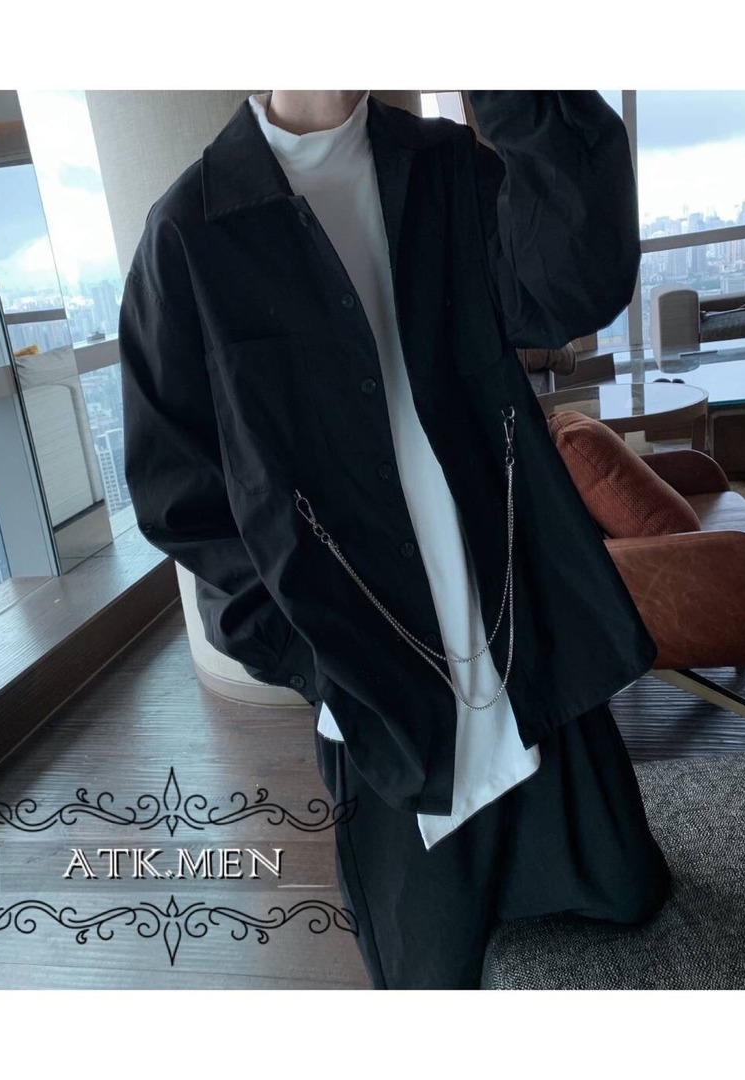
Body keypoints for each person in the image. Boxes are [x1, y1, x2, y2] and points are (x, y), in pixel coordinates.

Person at [118, 89, 671, 990]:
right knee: (430, 978)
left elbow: (571, 287)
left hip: (519, 636)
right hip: (379, 696)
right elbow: (179, 493)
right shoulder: (189, 232)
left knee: (628, 914)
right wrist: (310, 659)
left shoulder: (447, 166)